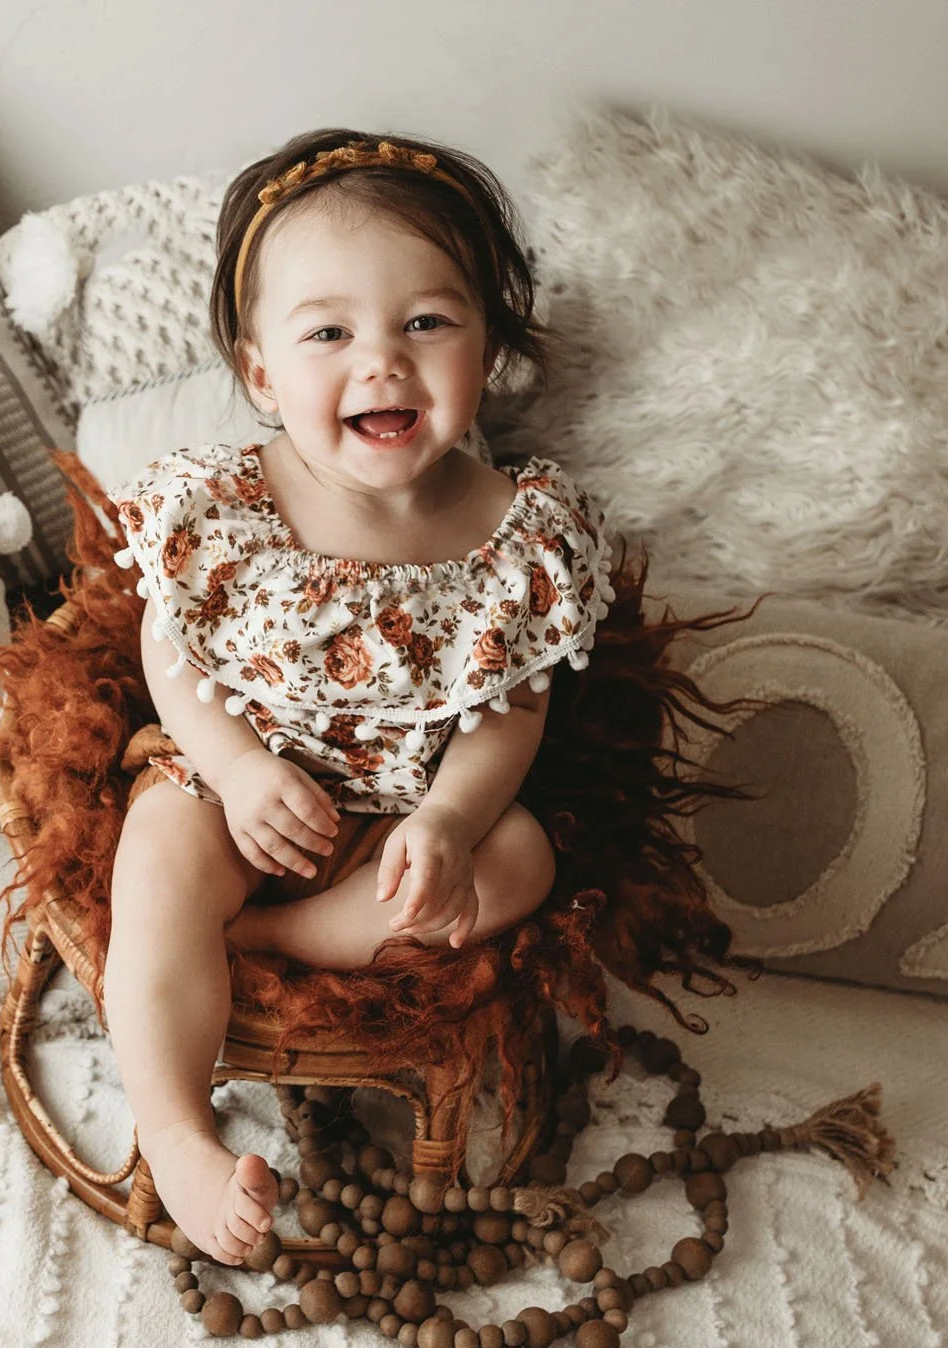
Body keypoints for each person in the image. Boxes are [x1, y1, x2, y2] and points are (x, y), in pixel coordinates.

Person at [102, 128, 614, 1266]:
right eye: (328, 332)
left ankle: (275, 937)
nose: (380, 363)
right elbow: (170, 645)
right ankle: (177, 1131)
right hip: (239, 778)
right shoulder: (228, 504)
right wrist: (233, 767)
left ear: (487, 348)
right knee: (157, 856)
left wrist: (445, 820)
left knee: (519, 861)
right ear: (261, 372)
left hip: (399, 815)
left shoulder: (515, 533)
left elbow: (509, 710)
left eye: (425, 323)